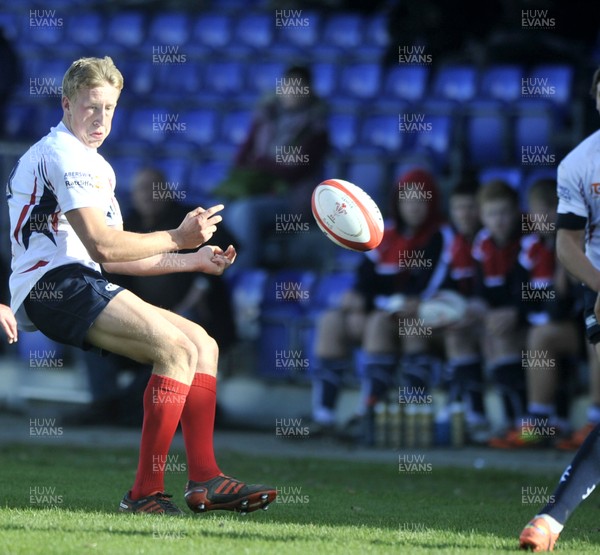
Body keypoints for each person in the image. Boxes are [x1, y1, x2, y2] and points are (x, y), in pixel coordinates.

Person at [6, 56, 275, 515]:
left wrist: (191, 260)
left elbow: (122, 256)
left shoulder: (94, 164)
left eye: (109, 108)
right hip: (54, 285)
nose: (101, 118)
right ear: (67, 105)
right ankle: (146, 493)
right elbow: (105, 247)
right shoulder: (62, 153)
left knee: (202, 344)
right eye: (92, 107)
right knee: (174, 351)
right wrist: (177, 236)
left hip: (78, 280)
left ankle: (205, 479)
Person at [519, 65, 600, 552]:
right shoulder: (580, 163)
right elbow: (567, 244)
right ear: (595, 99)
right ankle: (550, 521)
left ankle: (549, 519)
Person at [311, 168, 452, 444]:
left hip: (419, 319)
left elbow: (422, 291)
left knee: (376, 322)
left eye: (420, 200)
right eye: (407, 200)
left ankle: (368, 413)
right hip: (384, 313)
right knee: (331, 320)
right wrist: (358, 301)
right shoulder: (382, 233)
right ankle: (324, 416)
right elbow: (365, 282)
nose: (413, 207)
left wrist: (374, 303)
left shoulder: (440, 236)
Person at [215, 64, 329, 269]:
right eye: (288, 85)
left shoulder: (316, 128)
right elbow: (241, 157)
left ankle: (242, 273)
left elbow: (294, 171)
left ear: (309, 91)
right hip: (257, 190)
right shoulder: (265, 116)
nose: (292, 91)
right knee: (216, 206)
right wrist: (262, 164)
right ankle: (211, 275)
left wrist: (261, 163)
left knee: (245, 212)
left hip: (292, 199)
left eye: (298, 86)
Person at [467, 180, 530, 445]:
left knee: (500, 336)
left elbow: (539, 290)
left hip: (533, 320)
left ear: (516, 211)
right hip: (500, 320)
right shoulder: (482, 246)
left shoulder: (530, 240)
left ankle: (523, 424)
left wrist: (516, 312)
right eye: (492, 214)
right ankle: (489, 418)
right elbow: (482, 293)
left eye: (504, 212)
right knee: (480, 331)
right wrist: (478, 309)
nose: (499, 220)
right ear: (482, 216)